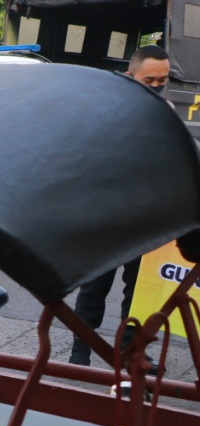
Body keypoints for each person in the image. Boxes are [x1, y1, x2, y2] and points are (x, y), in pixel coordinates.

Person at [68, 45, 171, 367]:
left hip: (147, 219)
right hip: (107, 215)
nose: (156, 85)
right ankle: (80, 351)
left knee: (139, 291)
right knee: (94, 285)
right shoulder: (105, 109)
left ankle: (131, 348)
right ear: (130, 76)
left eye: (163, 79)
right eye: (149, 79)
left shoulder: (165, 110)